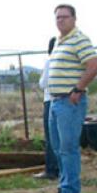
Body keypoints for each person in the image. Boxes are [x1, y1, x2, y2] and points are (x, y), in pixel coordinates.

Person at [45, 4, 97, 193]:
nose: (60, 21)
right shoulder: (60, 41)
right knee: (58, 148)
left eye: (65, 17)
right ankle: (64, 188)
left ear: (74, 19)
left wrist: (78, 89)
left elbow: (94, 65)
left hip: (70, 103)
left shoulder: (79, 39)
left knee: (68, 149)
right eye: (57, 17)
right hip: (55, 101)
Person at [34, 37, 59, 180]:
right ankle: (61, 169)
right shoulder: (65, 61)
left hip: (50, 100)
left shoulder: (50, 61)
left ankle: (51, 170)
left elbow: (43, 83)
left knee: (50, 138)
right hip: (65, 101)